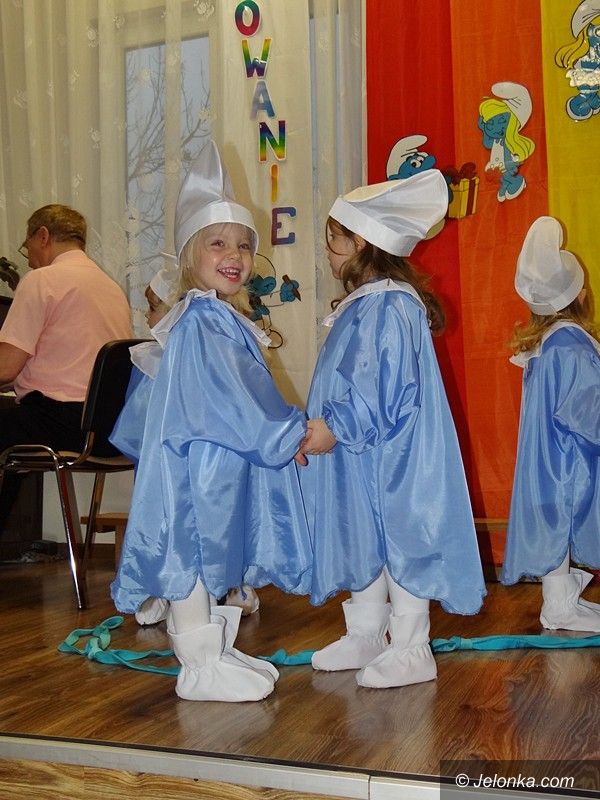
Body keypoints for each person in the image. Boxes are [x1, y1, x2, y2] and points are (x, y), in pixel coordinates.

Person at [111, 141, 311, 702]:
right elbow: (238, 398)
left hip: (214, 461)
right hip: (199, 468)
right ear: (189, 254)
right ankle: (199, 666)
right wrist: (291, 433)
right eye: (217, 243)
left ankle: (213, 650)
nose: (235, 255)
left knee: (208, 554)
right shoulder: (203, 319)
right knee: (193, 555)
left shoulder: (215, 316)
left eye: (244, 245)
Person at [300, 170, 486, 689]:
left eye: (333, 240)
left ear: (360, 242)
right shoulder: (370, 302)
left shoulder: (388, 304)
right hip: (362, 450)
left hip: (392, 453)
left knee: (403, 534)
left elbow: (381, 385)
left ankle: (410, 645)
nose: (328, 252)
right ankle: (366, 631)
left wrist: (335, 425)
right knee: (364, 532)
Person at [113, 256, 261, 623]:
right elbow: (141, 433)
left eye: (153, 307)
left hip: (209, 469)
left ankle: (230, 586)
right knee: (171, 531)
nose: (148, 317)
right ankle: (164, 591)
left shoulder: (200, 348)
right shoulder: (151, 359)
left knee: (221, 527)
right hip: (164, 471)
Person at [0, 204, 132, 526]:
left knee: (13, 431)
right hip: (109, 430)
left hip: (62, 425)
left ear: (43, 236)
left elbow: (6, 368)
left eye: (27, 246)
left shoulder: (42, 280)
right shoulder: (111, 289)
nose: (29, 258)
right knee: (12, 443)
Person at [501, 216, 600, 631]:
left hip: (549, 463)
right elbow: (586, 411)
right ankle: (559, 607)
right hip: (566, 464)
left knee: (555, 524)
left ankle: (562, 599)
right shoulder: (571, 346)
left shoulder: (549, 342)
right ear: (581, 294)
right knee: (561, 521)